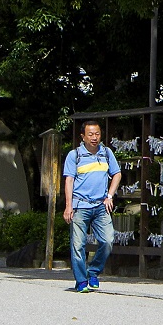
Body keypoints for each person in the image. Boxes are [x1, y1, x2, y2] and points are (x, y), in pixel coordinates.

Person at [61, 118, 122, 293]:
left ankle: (93, 271)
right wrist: (68, 206)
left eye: (97, 134)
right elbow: (69, 180)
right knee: (78, 244)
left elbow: (116, 174)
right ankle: (81, 280)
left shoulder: (106, 153)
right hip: (80, 205)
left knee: (108, 240)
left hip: (101, 205)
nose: (94, 137)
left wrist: (110, 195)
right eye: (90, 134)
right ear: (83, 136)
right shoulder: (75, 155)